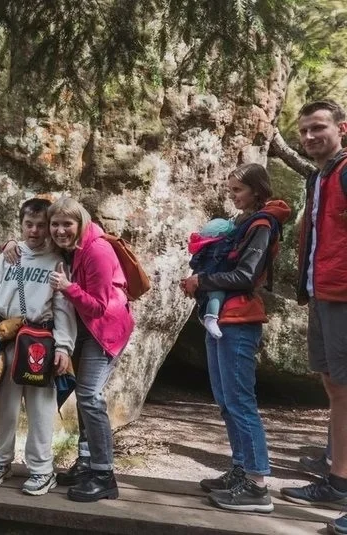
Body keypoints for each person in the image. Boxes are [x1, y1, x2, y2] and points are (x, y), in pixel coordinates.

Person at [6, 197, 135, 501]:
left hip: (105, 330)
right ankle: (87, 461)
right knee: (83, 394)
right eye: (56, 224)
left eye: (67, 224)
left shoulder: (97, 250)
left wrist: (68, 288)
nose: (60, 230)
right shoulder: (70, 247)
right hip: (86, 330)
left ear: (81, 223)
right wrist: (10, 243)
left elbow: (100, 307)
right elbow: (33, 241)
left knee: (90, 396)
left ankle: (104, 475)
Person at [181, 163, 290, 513]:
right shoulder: (243, 224)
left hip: (240, 320)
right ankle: (241, 469)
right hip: (224, 318)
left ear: (257, 190)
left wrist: (203, 282)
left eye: (238, 190)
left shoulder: (261, 224)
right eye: (230, 190)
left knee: (240, 401)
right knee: (226, 399)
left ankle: (257, 485)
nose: (232, 196)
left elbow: (245, 275)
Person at [0, 198, 76, 496]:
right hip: (7, 337)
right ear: (20, 225)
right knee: (5, 405)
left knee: (40, 408)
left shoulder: (57, 260)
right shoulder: (9, 256)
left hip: (39, 343)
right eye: (28, 225)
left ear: (49, 226)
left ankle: (42, 469)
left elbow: (63, 307)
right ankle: (1, 460)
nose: (34, 231)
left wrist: (64, 347)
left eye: (41, 225)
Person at [279, 100, 347, 531]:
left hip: (343, 293)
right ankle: (339, 480)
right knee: (336, 388)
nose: (309, 137)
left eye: (318, 127)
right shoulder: (320, 176)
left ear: (342, 127)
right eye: (303, 131)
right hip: (322, 293)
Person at [188, 218, 236, 339]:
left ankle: (204, 315)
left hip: (201, 277)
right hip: (211, 278)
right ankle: (210, 318)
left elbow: (194, 263)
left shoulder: (206, 247)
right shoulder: (222, 245)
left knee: (206, 298)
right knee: (217, 294)